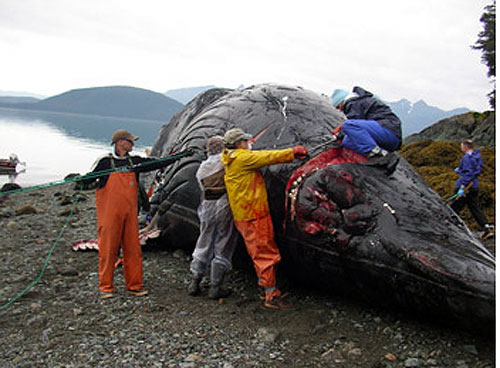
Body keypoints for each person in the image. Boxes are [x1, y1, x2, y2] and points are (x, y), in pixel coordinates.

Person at [82, 129, 193, 299]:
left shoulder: (134, 162)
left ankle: (134, 285)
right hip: (109, 216)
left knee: (133, 250)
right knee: (108, 249)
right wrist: (81, 181)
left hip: (130, 214)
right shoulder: (105, 162)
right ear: (120, 142)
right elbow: (89, 179)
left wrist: (179, 156)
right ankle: (105, 287)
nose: (133, 144)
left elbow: (156, 163)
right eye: (130, 141)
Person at [221, 127, 308, 310]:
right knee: (264, 252)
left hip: (243, 214)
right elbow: (267, 157)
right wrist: (292, 152)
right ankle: (271, 295)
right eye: (245, 141)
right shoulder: (243, 158)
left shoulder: (229, 156)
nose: (248, 143)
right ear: (238, 144)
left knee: (257, 250)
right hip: (254, 214)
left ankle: (266, 285)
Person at [188, 136, 239, 299]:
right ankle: (215, 287)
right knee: (223, 241)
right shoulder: (225, 162)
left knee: (204, 240)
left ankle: (195, 281)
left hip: (206, 207)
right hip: (224, 205)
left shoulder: (202, 168)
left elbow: (202, 188)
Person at [330, 86, 402, 158]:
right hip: (390, 139)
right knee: (347, 142)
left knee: (348, 125)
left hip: (388, 131)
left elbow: (353, 123)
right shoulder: (358, 101)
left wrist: (339, 134)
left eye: (337, 107)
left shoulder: (353, 102)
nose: (339, 110)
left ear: (341, 102)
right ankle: (380, 154)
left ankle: (375, 152)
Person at [451, 139, 494, 240]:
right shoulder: (477, 156)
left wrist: (462, 188)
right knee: (474, 208)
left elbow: (468, 173)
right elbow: (476, 171)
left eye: (462, 146)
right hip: (474, 186)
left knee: (454, 208)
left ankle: (450, 229)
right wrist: (460, 170)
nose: (461, 148)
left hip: (466, 187)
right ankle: (486, 227)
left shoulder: (466, 158)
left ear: (465, 146)